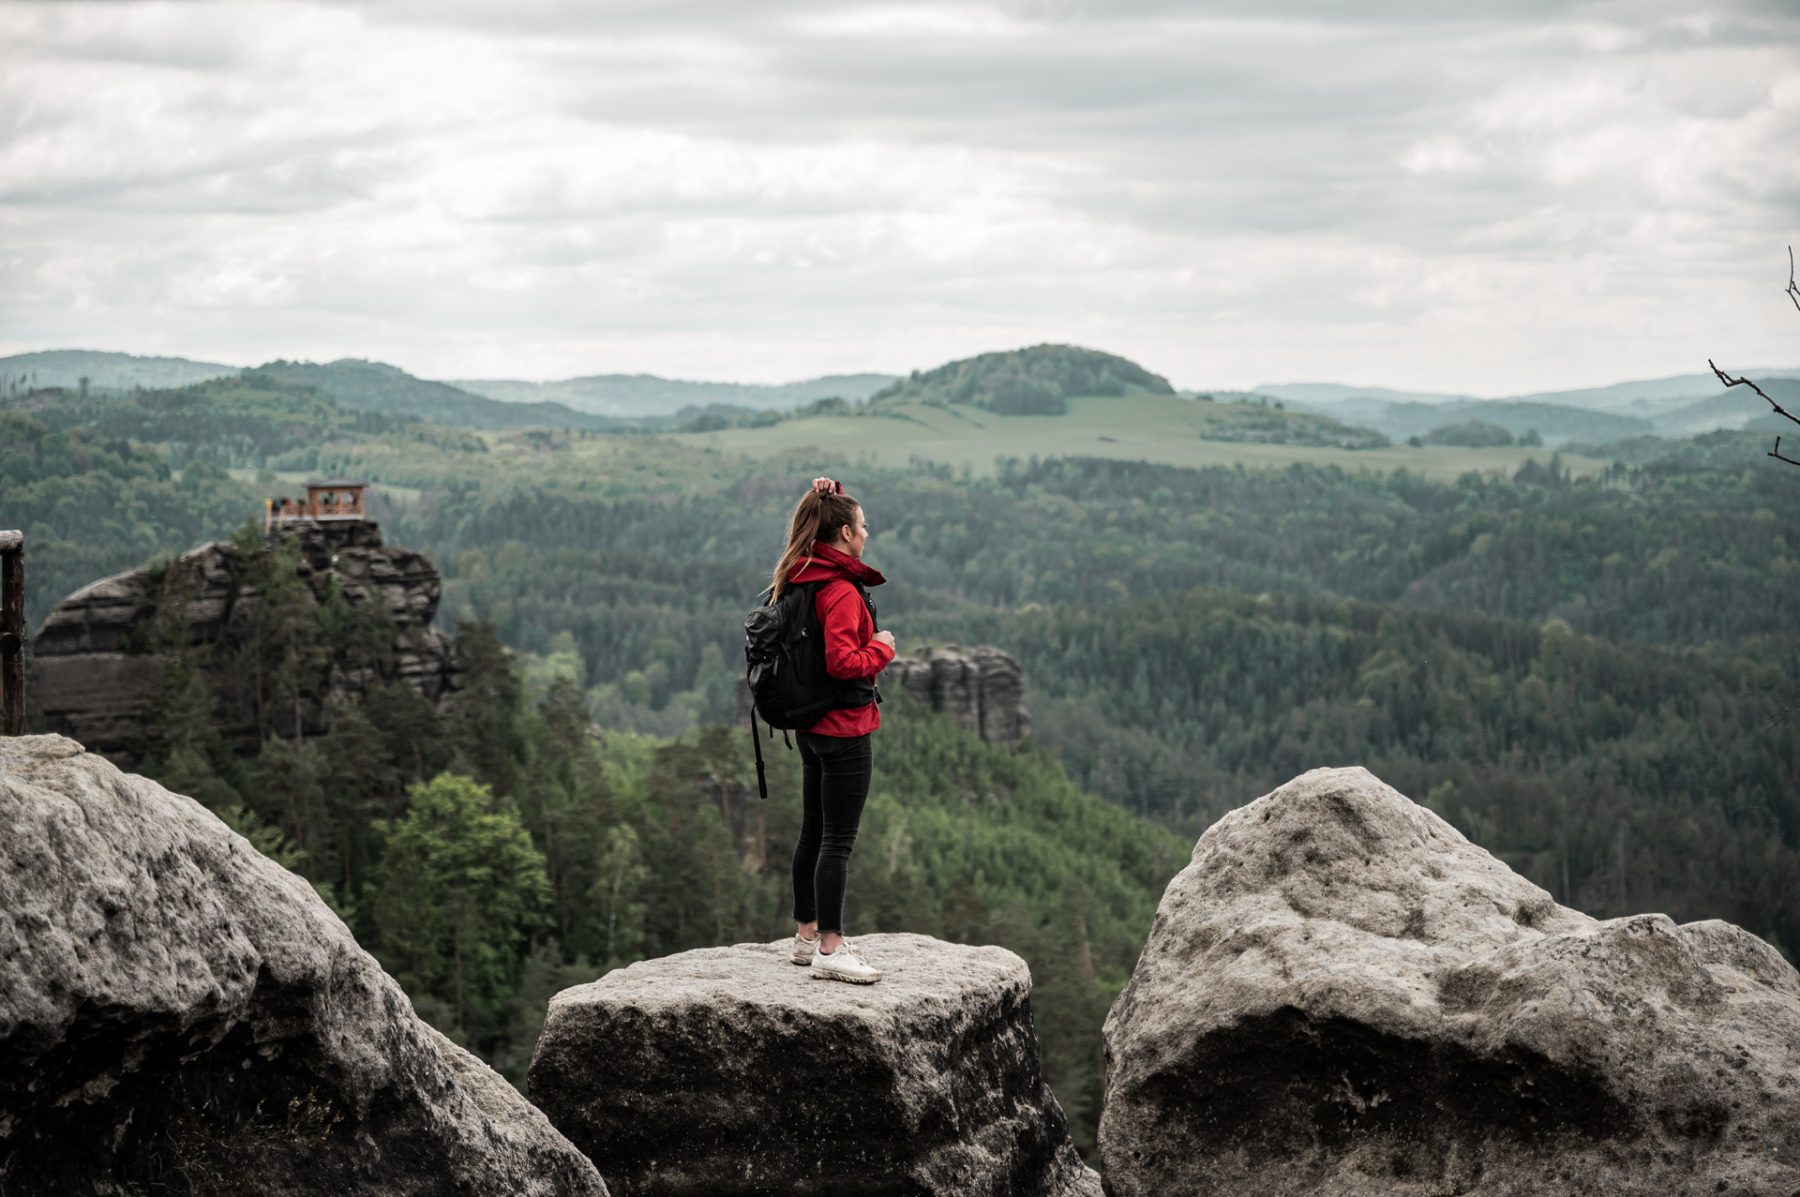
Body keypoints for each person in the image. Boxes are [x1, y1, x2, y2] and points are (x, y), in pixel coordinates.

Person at [771, 476, 896, 984]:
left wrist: (828, 491)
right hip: (845, 726)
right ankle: (831, 948)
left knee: (814, 830)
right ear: (844, 533)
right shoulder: (841, 589)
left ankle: (805, 936)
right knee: (838, 840)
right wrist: (883, 647)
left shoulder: (803, 572)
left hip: (812, 723)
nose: (868, 533)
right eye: (863, 526)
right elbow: (844, 661)